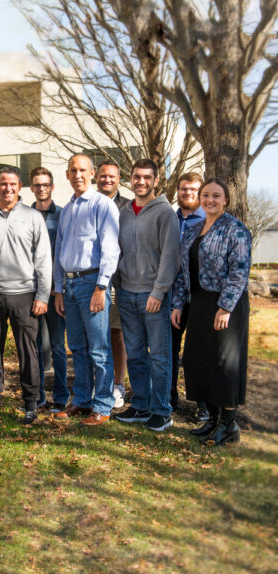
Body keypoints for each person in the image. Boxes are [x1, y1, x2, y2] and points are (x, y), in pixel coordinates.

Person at [0, 166, 51, 427]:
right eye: (4, 184)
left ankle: (31, 404)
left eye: (13, 184)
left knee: (29, 351)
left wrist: (43, 296)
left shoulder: (33, 216)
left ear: (20, 186)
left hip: (25, 295)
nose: (8, 188)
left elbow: (43, 259)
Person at [171, 179, 251, 446]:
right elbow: (184, 272)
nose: (210, 200)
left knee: (223, 364)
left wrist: (225, 307)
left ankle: (229, 425)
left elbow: (239, 273)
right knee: (200, 360)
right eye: (205, 195)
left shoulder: (235, 229)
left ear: (225, 199)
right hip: (199, 303)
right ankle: (213, 420)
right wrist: (178, 304)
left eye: (216, 196)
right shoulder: (193, 229)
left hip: (226, 304)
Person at [53, 154, 120, 426]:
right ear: (67, 175)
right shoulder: (67, 209)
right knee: (78, 348)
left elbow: (111, 249)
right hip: (69, 286)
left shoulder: (103, 205)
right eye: (73, 170)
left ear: (92, 173)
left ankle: (103, 405)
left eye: (83, 170)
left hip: (93, 284)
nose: (78, 175)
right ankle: (81, 400)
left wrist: (101, 286)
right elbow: (59, 251)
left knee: (99, 349)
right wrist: (59, 288)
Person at [115, 159, 180, 432]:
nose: (140, 182)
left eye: (146, 177)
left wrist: (159, 291)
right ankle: (141, 405)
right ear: (130, 179)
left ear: (155, 180)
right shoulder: (124, 212)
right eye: (136, 177)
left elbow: (171, 256)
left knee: (159, 357)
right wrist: (118, 286)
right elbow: (116, 249)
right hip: (127, 293)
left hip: (153, 296)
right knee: (137, 354)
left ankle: (162, 411)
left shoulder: (165, 213)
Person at [29, 166, 70, 413]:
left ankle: (61, 395)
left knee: (57, 346)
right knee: (34, 346)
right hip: (30, 292)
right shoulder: (24, 214)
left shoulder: (63, 215)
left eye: (45, 184)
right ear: (32, 187)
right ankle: (37, 395)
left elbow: (64, 253)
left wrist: (60, 289)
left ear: (52, 187)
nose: (41, 188)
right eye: (37, 184)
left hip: (55, 292)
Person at [170, 172, 207, 419]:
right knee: (169, 349)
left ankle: (203, 404)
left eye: (193, 189)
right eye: (184, 189)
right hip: (172, 295)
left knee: (199, 350)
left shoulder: (208, 220)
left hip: (200, 296)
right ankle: (168, 398)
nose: (188, 193)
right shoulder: (170, 219)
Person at [95, 160, 131, 409]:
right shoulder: (87, 202)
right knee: (95, 335)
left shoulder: (127, 207)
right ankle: (98, 383)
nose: (107, 180)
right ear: (96, 177)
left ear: (119, 178)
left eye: (112, 176)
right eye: (103, 176)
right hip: (89, 279)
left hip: (117, 280)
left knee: (116, 332)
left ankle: (118, 385)